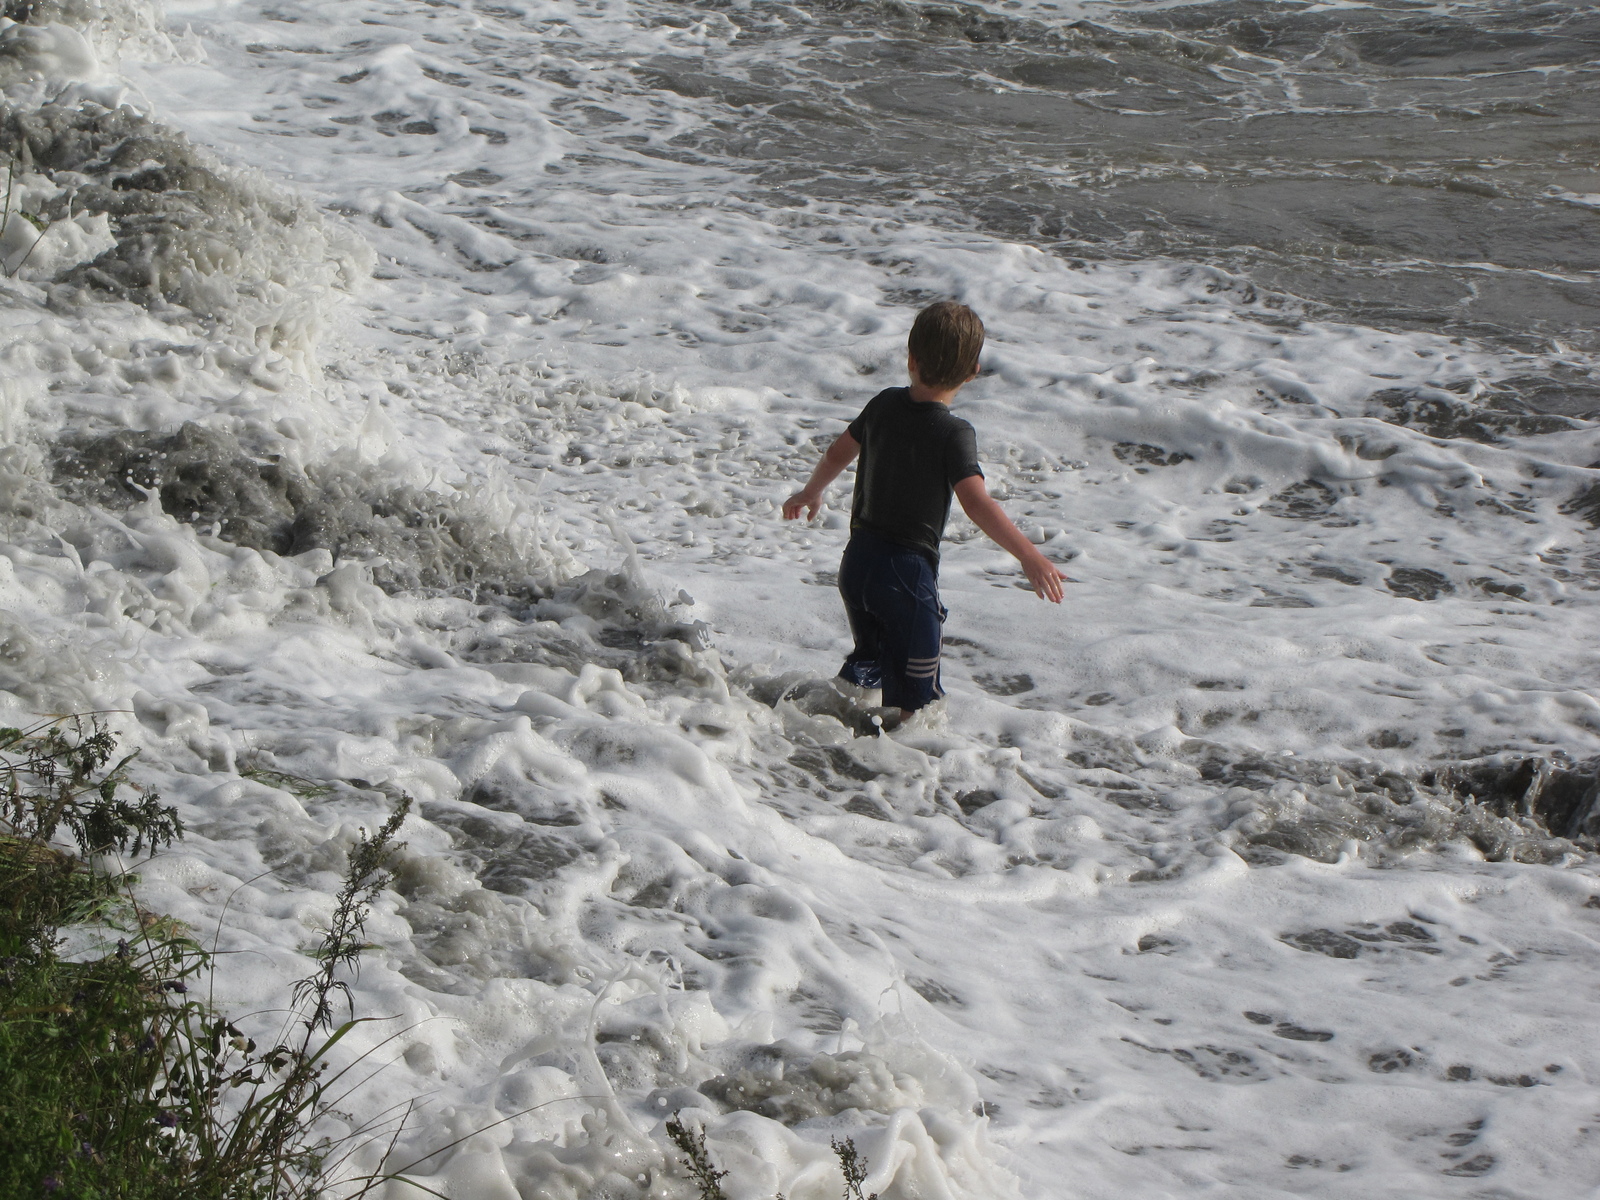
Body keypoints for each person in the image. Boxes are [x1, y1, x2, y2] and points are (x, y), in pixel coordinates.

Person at [782, 301, 1065, 724]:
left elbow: (838, 452)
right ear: (974, 372)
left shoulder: (881, 405)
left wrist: (811, 492)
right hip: (906, 579)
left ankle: (826, 738)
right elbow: (977, 502)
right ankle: (897, 772)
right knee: (915, 708)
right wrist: (1029, 554)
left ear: (910, 360)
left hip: (857, 566)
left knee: (869, 665)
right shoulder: (954, 433)